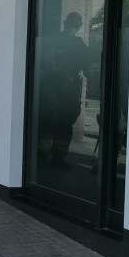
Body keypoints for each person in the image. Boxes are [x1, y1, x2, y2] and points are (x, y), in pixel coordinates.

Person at [38, 11, 90, 169]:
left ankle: (41, 155)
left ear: (65, 23)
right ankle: (57, 158)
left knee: (47, 123)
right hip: (67, 90)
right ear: (79, 25)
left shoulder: (53, 40)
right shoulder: (79, 45)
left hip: (48, 87)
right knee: (64, 125)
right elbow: (87, 68)